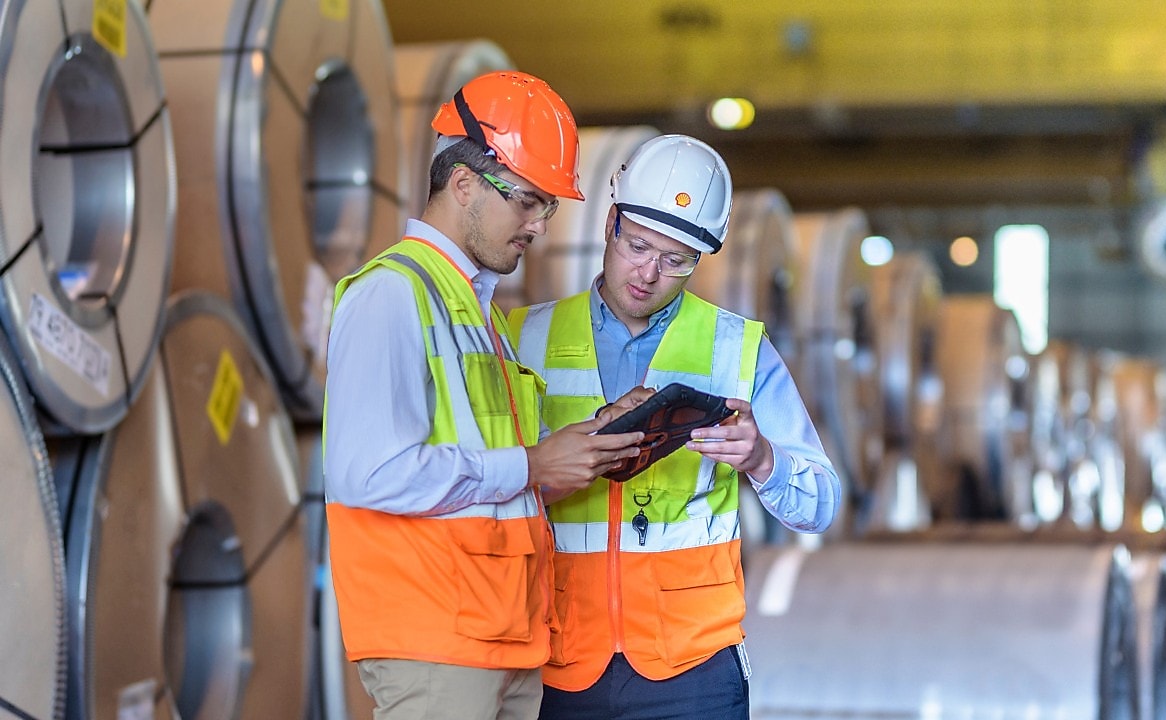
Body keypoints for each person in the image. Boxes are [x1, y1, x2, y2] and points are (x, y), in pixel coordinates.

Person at [322, 70, 644, 720]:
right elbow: (368, 473)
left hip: (501, 636)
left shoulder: (477, 313)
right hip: (436, 640)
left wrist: (584, 447)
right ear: (463, 183)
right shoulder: (392, 295)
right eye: (527, 200)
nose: (538, 226)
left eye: (547, 207)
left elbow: (492, 485)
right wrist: (532, 463)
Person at [507, 134, 841, 719]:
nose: (648, 273)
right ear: (610, 223)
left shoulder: (739, 349)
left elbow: (819, 505)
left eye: (676, 259)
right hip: (559, 659)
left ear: (700, 258)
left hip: (694, 667)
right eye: (637, 245)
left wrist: (763, 460)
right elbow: (486, 489)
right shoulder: (524, 338)